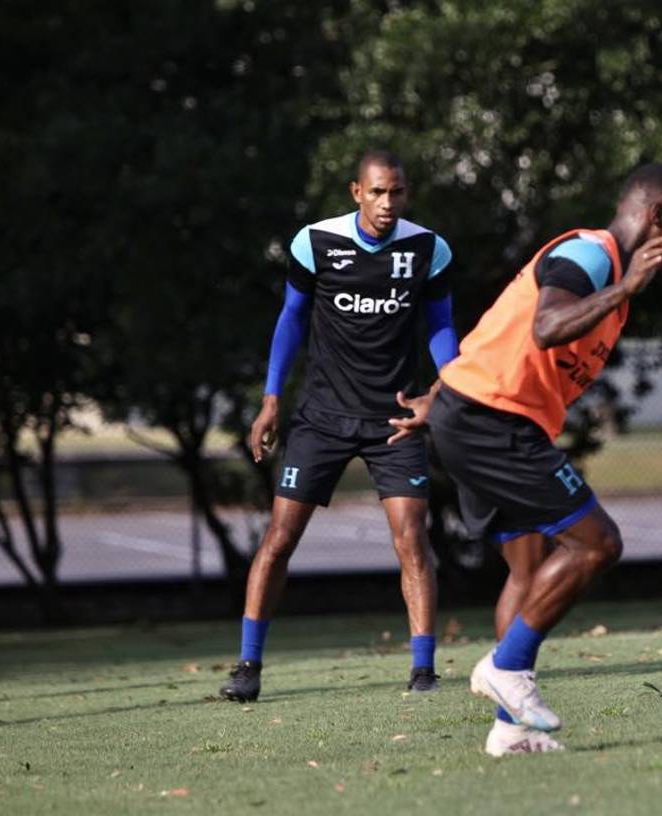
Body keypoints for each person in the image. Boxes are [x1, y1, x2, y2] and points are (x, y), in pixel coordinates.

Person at [397, 164, 662, 755]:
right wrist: (625, 287)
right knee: (597, 543)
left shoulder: (609, 275)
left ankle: (513, 730)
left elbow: (502, 334)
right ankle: (506, 669)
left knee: (530, 570)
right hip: (492, 420)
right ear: (656, 218)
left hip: (476, 414)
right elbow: (544, 327)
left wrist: (441, 398)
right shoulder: (594, 256)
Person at [219, 150, 458, 702]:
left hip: (395, 418)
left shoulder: (429, 249)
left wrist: (445, 388)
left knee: (413, 542)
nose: (387, 204)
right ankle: (247, 666)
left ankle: (423, 671)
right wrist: (271, 399)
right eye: (377, 192)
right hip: (321, 418)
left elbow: (441, 328)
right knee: (279, 540)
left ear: (406, 193)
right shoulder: (315, 242)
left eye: (396, 193)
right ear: (356, 191)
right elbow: (292, 319)